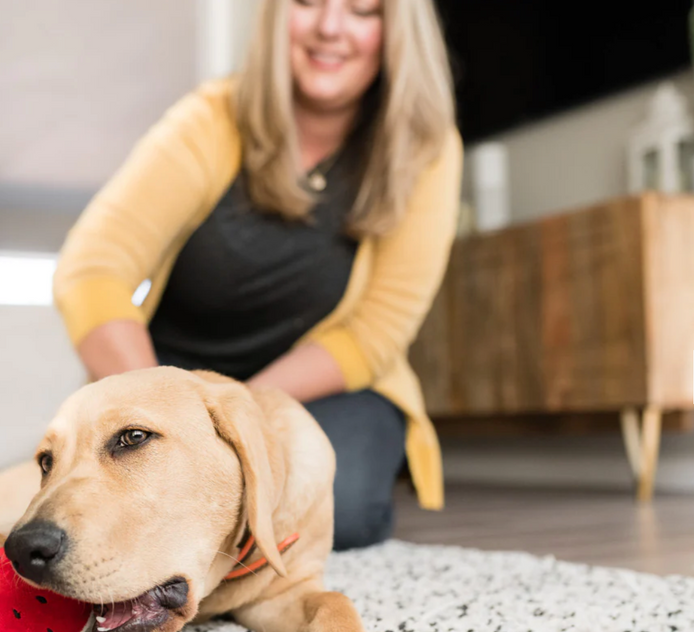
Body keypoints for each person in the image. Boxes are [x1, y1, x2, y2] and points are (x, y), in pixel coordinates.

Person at [52, 0, 463, 551]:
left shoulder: (429, 149)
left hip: (316, 391)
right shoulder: (212, 117)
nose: (331, 27)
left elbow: (376, 330)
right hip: (170, 383)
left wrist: (229, 425)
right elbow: (92, 269)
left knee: (347, 503)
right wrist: (160, 418)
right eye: (308, 2)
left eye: (364, 8)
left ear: (395, 30)